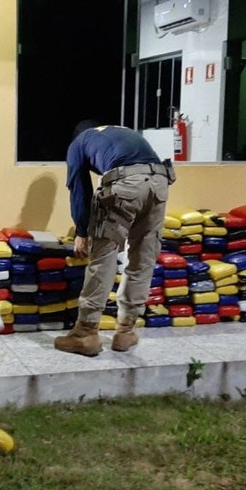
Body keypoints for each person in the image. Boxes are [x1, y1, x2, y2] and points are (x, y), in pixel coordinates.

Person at [55, 121, 174, 357]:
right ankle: (126, 331)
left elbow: (79, 188)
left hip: (124, 185)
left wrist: (82, 231)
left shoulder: (79, 142)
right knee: (142, 257)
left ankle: (85, 333)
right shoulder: (123, 132)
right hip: (160, 182)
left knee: (104, 255)